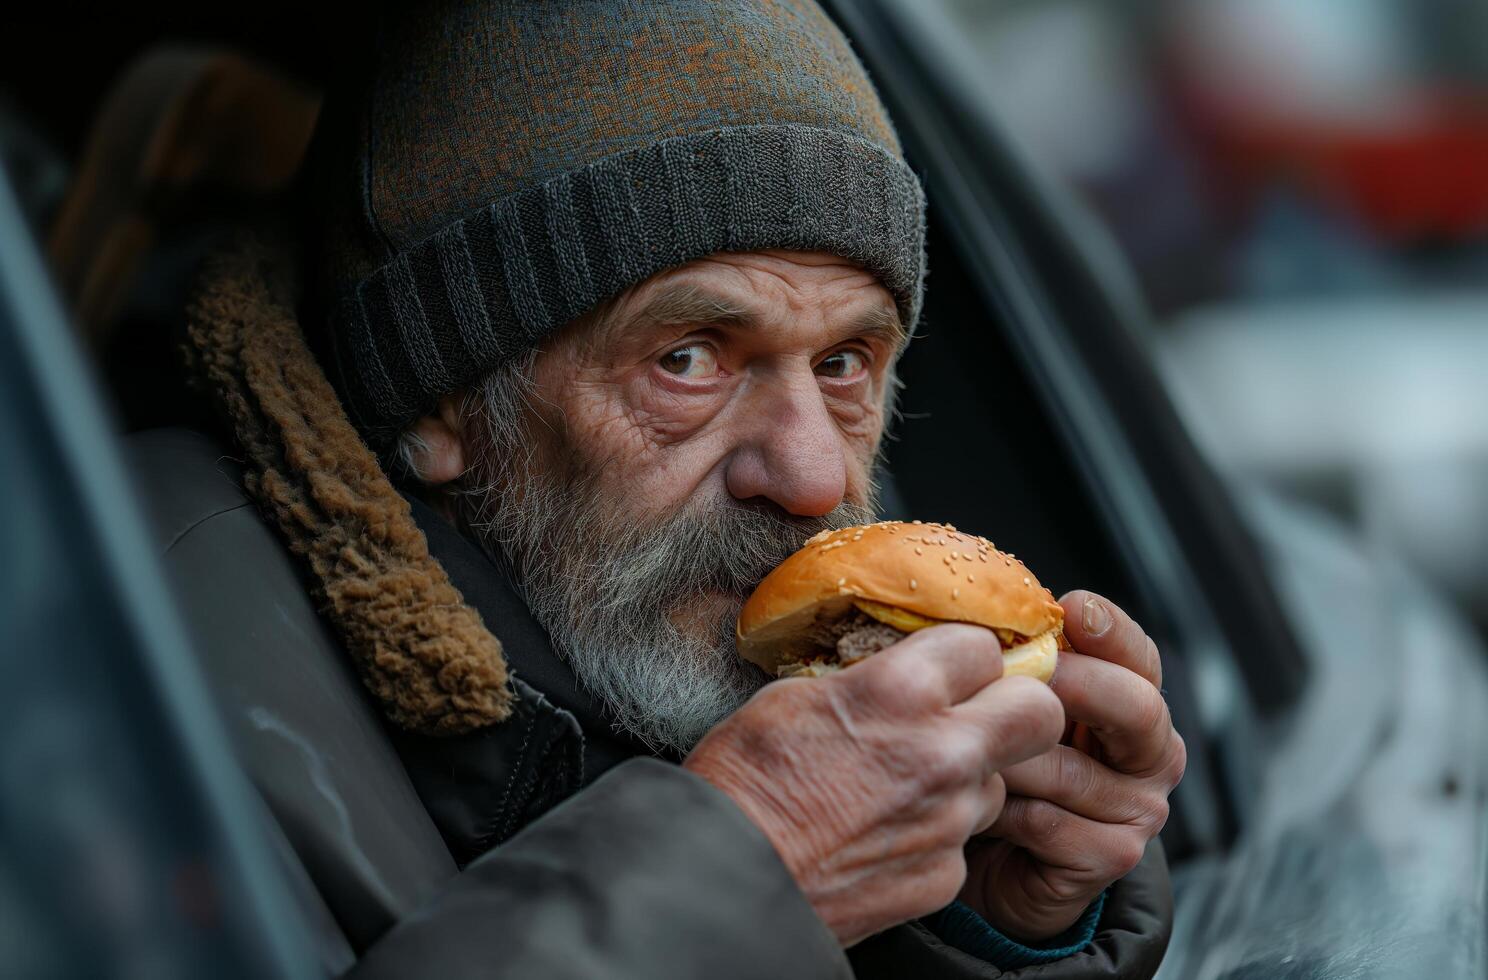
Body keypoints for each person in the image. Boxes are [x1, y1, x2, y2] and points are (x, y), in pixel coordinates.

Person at [187, 1, 1183, 976]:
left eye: (845, 363)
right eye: (690, 357)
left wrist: (968, 912)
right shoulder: (154, 687)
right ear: (444, 400)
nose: (812, 476)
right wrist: (752, 859)